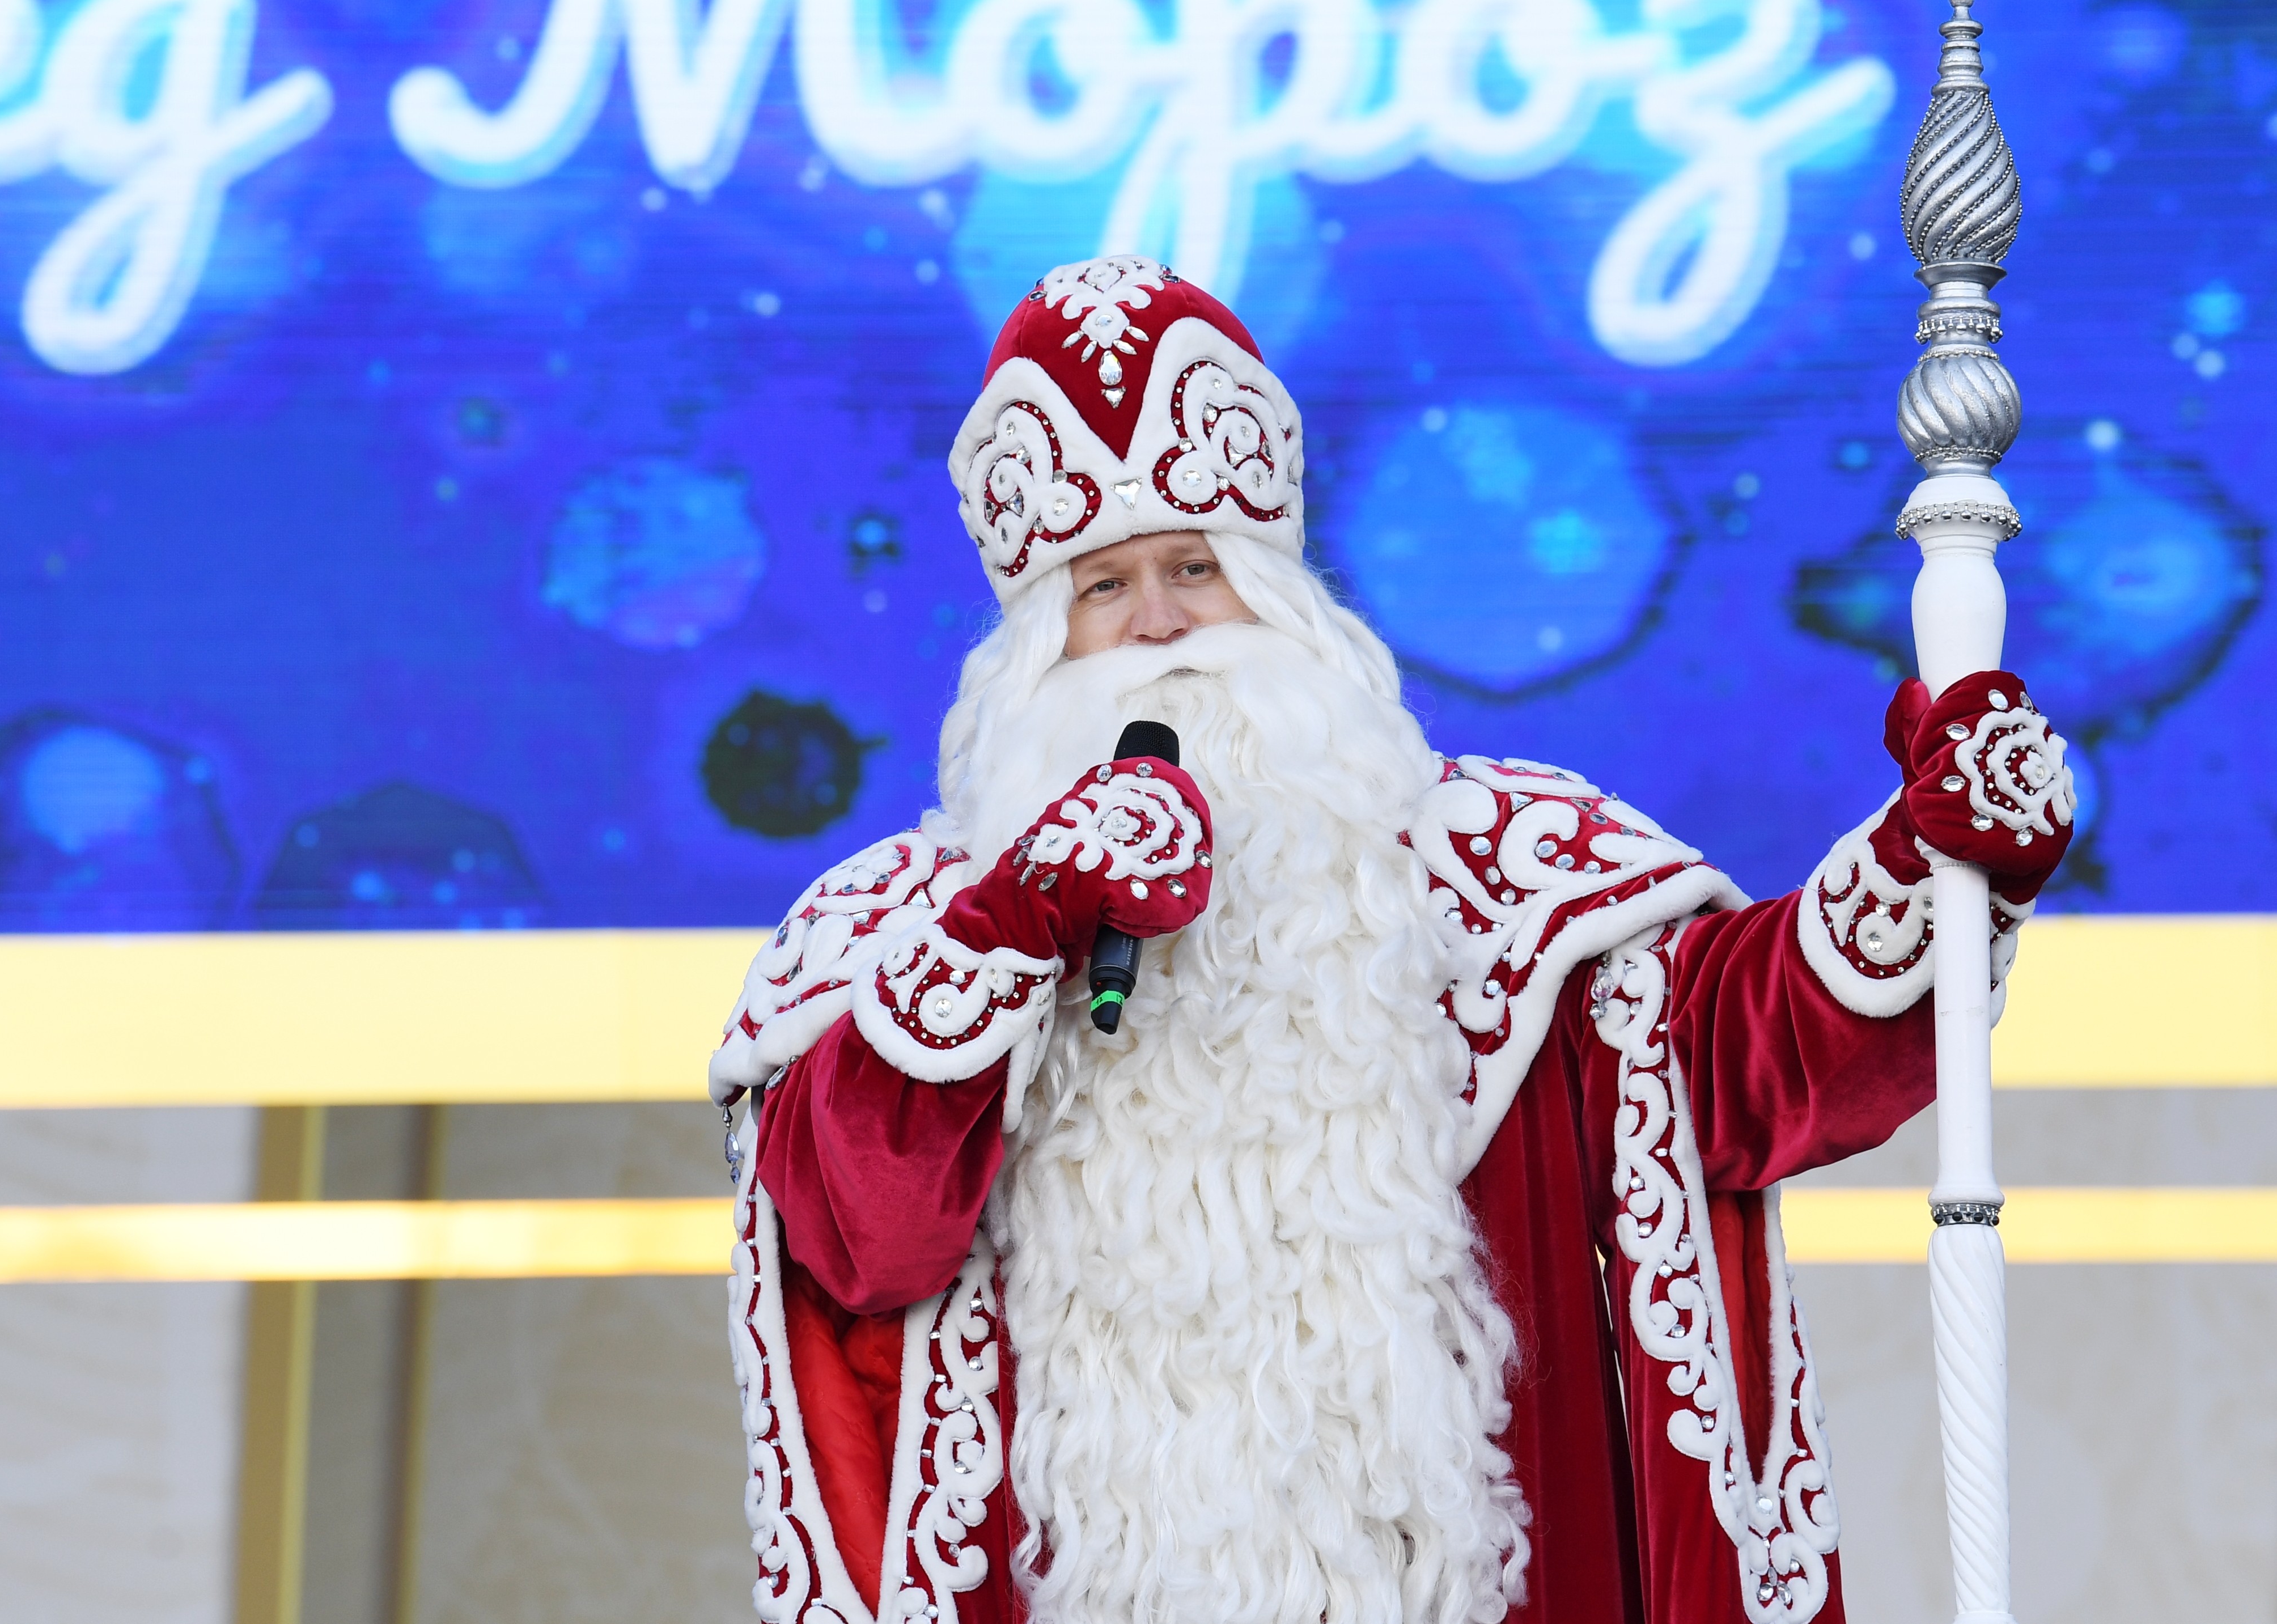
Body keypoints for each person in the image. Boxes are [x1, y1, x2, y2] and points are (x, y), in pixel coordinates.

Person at [709, 256, 2074, 1624]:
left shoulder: (1507, 869)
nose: (1158, 622)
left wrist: (1930, 858)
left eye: (1193, 566)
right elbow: (858, 1235)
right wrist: (1014, 924)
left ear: (1279, 591)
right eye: (1102, 585)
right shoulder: (903, 930)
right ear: (1032, 640)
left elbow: (1752, 1054)